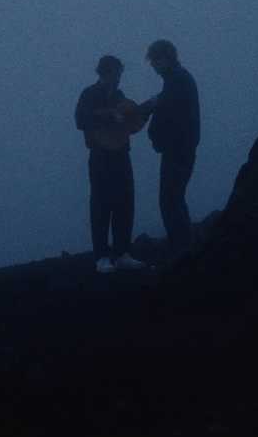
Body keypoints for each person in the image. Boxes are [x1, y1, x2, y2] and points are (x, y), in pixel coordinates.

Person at [74, 55, 148, 274]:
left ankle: (123, 253)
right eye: (116, 74)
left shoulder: (119, 95)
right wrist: (109, 116)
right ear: (105, 73)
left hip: (121, 153)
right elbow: (81, 119)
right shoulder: (89, 94)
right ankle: (102, 257)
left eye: (120, 74)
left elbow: (131, 121)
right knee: (101, 204)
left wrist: (141, 114)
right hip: (100, 155)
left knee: (125, 202)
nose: (118, 78)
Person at [138, 39, 200, 256]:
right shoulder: (177, 79)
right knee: (174, 198)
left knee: (170, 200)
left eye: (156, 60)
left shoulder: (178, 81)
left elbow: (167, 111)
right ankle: (183, 245)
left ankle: (181, 248)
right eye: (153, 61)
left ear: (167, 58)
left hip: (178, 150)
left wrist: (151, 124)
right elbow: (161, 102)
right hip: (180, 149)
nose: (154, 66)